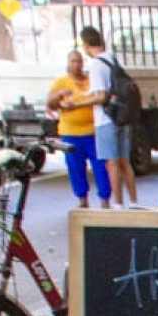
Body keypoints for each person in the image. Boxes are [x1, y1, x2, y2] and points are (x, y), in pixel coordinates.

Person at [78, 26, 137, 208]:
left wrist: (77, 103)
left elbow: (101, 96)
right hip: (121, 116)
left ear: (86, 45)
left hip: (105, 119)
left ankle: (118, 203)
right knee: (125, 162)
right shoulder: (111, 58)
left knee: (111, 164)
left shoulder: (96, 64)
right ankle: (134, 201)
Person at [47, 49, 110, 208]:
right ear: (68, 64)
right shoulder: (61, 82)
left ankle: (105, 199)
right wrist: (59, 94)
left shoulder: (90, 79)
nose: (76, 65)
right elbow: (50, 104)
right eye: (73, 61)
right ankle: (82, 200)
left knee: (100, 166)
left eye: (79, 61)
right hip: (71, 133)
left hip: (93, 131)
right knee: (76, 168)